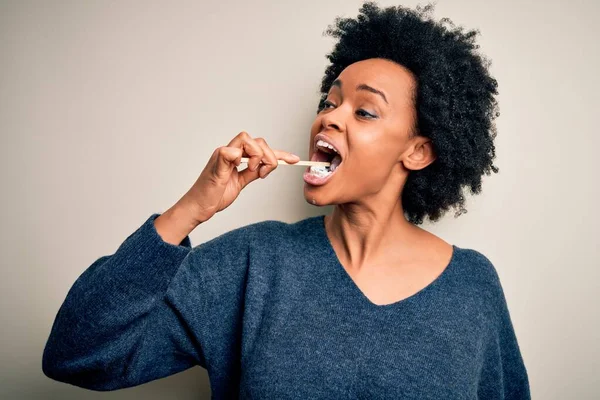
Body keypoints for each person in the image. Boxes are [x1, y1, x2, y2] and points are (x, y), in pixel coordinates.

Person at [42, 2, 530, 399]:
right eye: (330, 102)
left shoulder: (472, 286)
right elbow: (78, 355)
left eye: (364, 111)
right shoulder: (252, 263)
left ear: (418, 151)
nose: (330, 118)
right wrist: (191, 208)